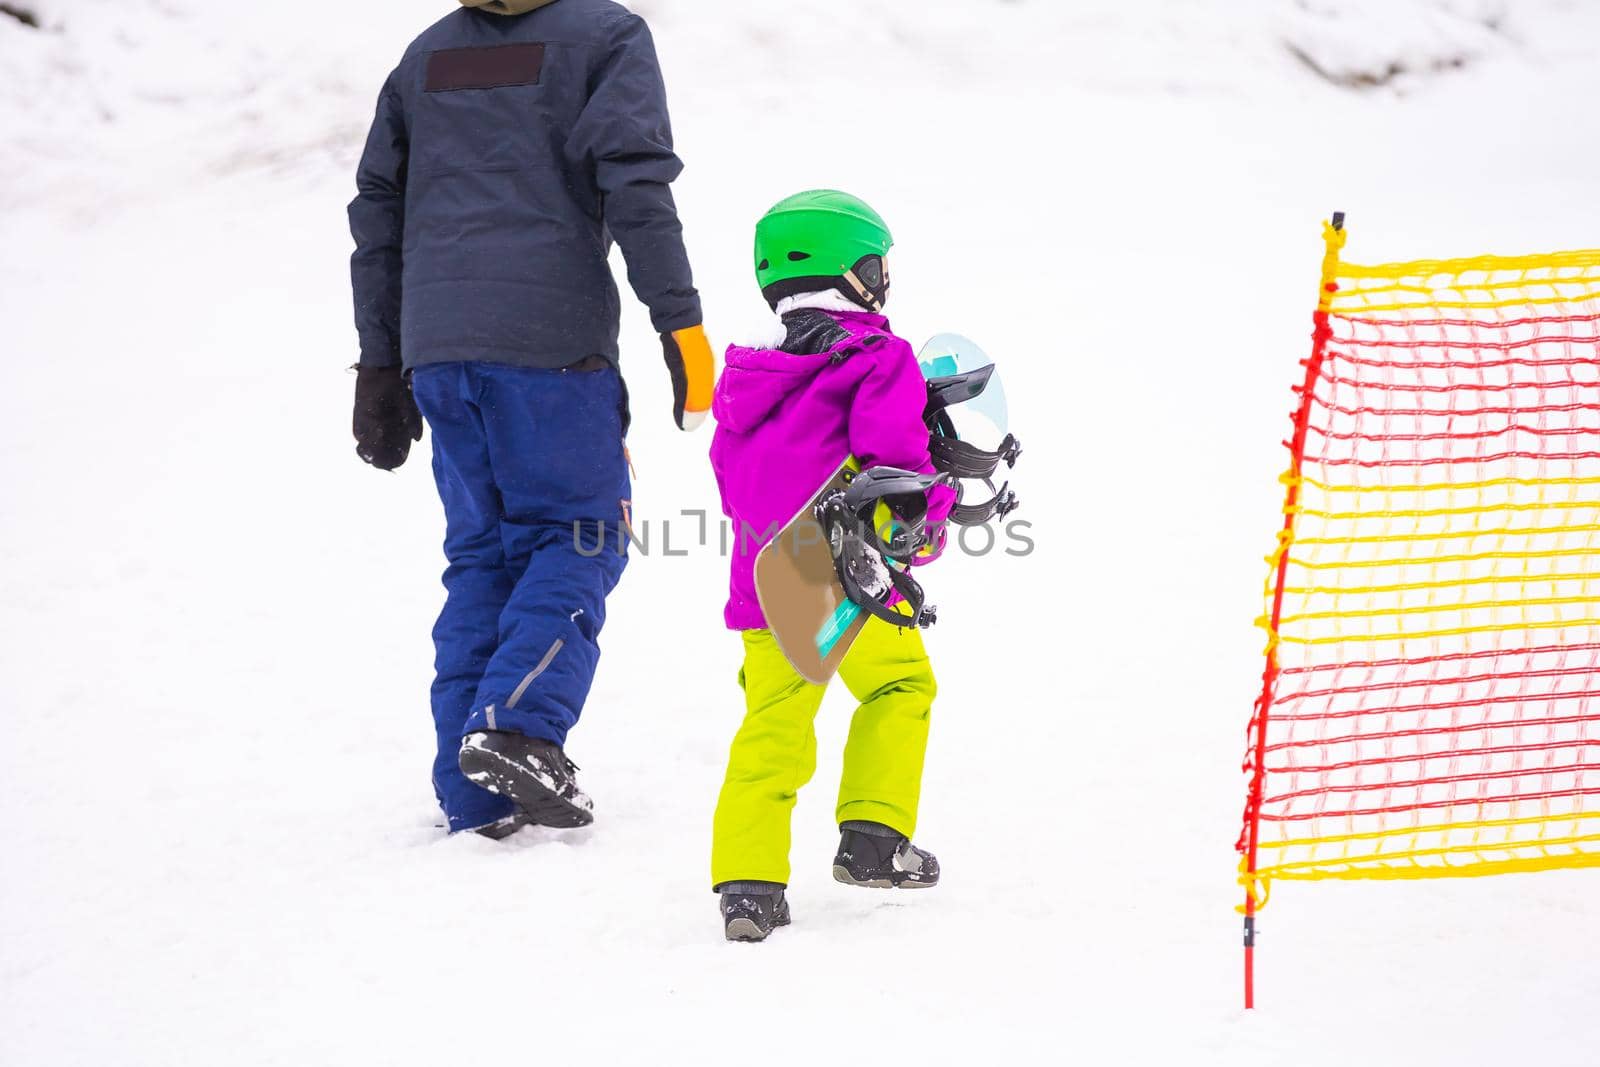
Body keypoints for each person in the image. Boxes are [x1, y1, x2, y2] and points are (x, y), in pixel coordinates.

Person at [347, 0, 714, 839]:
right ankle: (518, 728)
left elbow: (378, 211)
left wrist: (381, 360)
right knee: (577, 535)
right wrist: (680, 323)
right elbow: (634, 183)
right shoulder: (608, 36)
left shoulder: (426, 54)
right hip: (552, 349)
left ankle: (474, 792)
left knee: (483, 555)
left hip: (439, 350)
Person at [707, 191, 956, 941]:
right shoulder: (880, 359)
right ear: (849, 275)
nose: (882, 282)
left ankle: (749, 887)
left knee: (772, 725)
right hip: (849, 574)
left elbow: (735, 481)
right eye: (875, 266)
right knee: (900, 683)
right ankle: (875, 837)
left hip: (764, 583)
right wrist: (927, 529)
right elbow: (898, 466)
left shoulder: (746, 380)